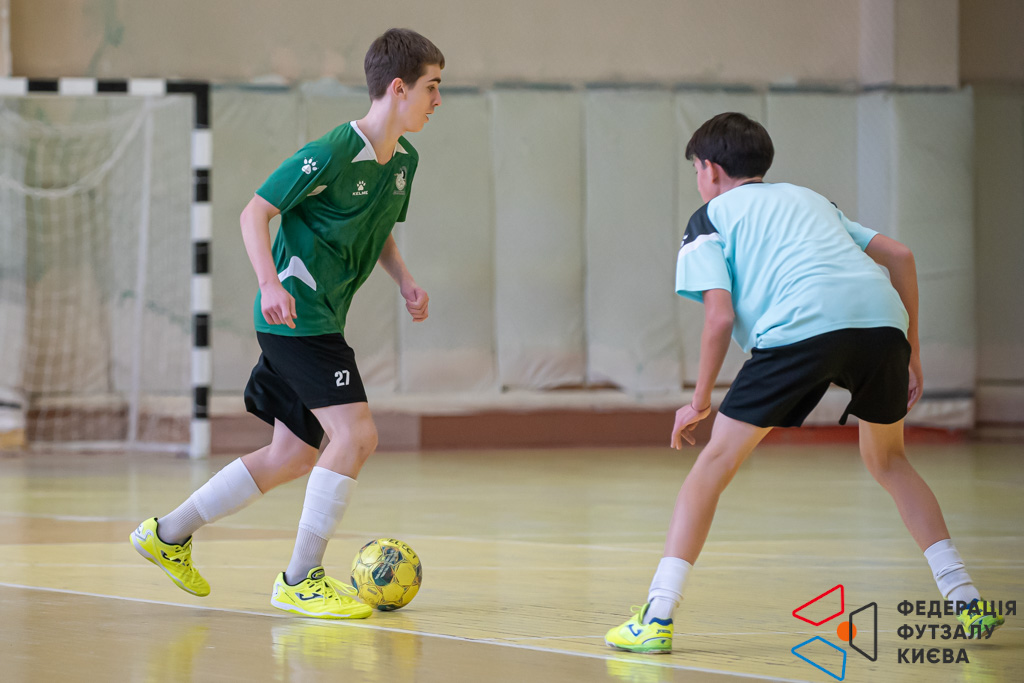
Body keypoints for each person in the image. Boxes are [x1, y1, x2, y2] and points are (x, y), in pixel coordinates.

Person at [605, 112, 1005, 653]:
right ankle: (964, 599)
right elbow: (900, 256)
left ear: (710, 170)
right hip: (881, 326)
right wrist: (909, 350)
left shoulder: (709, 218)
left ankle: (656, 617)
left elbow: (719, 318)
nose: (698, 179)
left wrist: (698, 402)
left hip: (798, 329)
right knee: (890, 462)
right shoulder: (812, 200)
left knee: (712, 467)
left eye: (696, 169)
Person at [131, 28, 444, 620]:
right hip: (297, 319)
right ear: (399, 88)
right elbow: (255, 213)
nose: (437, 99)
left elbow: (377, 228)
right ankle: (300, 578)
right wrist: (269, 283)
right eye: (432, 87)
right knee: (356, 436)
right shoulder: (330, 151)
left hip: (317, 321)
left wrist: (404, 279)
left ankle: (167, 534)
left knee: (293, 455)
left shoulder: (405, 161)